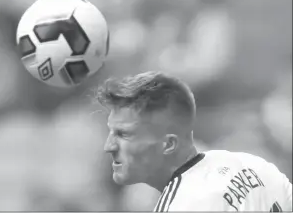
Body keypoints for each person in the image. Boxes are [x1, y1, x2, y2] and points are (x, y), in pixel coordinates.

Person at [96, 71, 292, 211]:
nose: (109, 146)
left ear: (168, 144)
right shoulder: (252, 164)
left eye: (125, 134)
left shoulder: (182, 205)